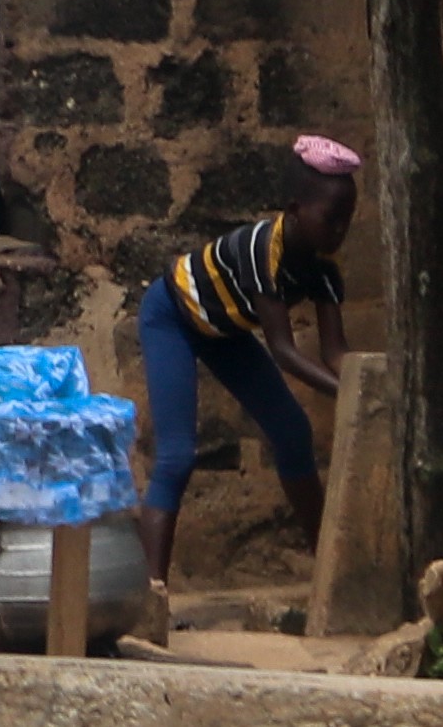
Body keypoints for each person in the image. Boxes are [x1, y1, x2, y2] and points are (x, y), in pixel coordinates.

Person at [137, 136, 359, 587]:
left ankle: (328, 575)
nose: (339, 231)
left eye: (346, 221)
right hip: (172, 316)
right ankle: (150, 595)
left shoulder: (324, 269)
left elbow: (335, 352)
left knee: (293, 432)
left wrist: (367, 384)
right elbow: (284, 350)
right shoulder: (263, 249)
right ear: (294, 210)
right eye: (330, 219)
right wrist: (347, 392)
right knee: (177, 456)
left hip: (225, 332)